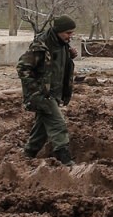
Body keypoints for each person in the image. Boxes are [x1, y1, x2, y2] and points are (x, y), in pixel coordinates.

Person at [17, 15, 78, 166]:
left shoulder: (62, 45)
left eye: (72, 33)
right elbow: (23, 67)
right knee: (58, 125)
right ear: (58, 31)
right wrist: (36, 90)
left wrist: (69, 57)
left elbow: (56, 66)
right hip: (44, 95)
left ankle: (28, 153)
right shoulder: (41, 46)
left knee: (42, 128)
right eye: (68, 33)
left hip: (55, 93)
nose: (71, 36)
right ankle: (65, 158)